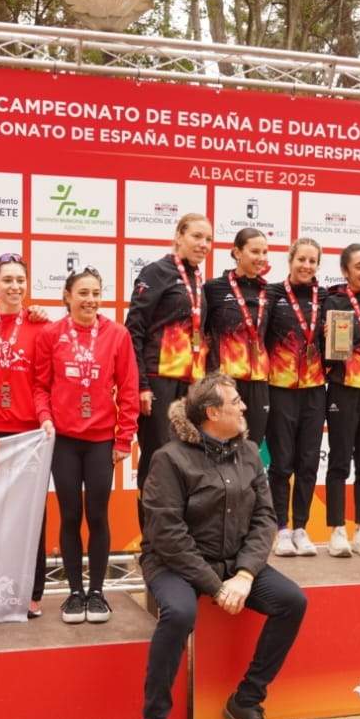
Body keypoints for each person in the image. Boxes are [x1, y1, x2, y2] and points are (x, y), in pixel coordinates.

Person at [137, 374, 308, 719]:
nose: (245, 407)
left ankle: (246, 702)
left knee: (292, 601)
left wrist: (246, 573)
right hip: (174, 563)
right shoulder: (169, 458)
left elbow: (266, 518)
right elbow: (167, 536)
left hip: (234, 563)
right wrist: (216, 587)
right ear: (213, 413)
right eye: (236, 402)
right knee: (178, 614)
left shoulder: (249, 451)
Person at [33, 268, 138, 625]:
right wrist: (45, 417)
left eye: (96, 292)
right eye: (83, 293)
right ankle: (73, 594)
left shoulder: (117, 334)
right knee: (69, 516)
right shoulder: (51, 334)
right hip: (63, 440)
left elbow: (128, 388)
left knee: (97, 515)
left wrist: (123, 437)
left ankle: (97, 592)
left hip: (100, 440)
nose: (90, 299)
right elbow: (39, 386)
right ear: (67, 296)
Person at [0, 253, 51, 619]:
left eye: (20, 280)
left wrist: (43, 420)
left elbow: (43, 382)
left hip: (28, 432)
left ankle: (32, 592)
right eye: (7, 280)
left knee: (31, 514)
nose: (15, 287)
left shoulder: (41, 327)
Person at [127, 213, 210, 514]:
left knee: (186, 462)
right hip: (158, 379)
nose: (204, 244)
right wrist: (141, 385)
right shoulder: (156, 272)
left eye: (208, 239)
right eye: (197, 236)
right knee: (156, 462)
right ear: (178, 236)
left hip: (190, 385)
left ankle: (175, 543)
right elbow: (133, 330)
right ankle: (150, 547)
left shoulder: (198, 278)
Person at [264, 238, 327, 556]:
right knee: (281, 462)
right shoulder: (273, 294)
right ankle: (281, 528)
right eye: (301, 259)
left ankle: (301, 527)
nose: (306, 265)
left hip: (315, 390)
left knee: (308, 462)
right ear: (290, 260)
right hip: (280, 389)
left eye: (312, 261)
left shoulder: (326, 297)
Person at [321, 243, 360, 559]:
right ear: (346, 270)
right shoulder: (333, 300)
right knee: (340, 460)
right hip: (343, 387)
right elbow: (326, 347)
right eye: (359, 266)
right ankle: (336, 530)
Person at [203, 228, 272, 444]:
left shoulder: (269, 292)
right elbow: (201, 331)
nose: (261, 258)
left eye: (264, 252)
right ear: (237, 252)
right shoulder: (213, 288)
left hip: (258, 383)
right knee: (221, 444)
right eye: (254, 251)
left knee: (252, 446)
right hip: (224, 382)